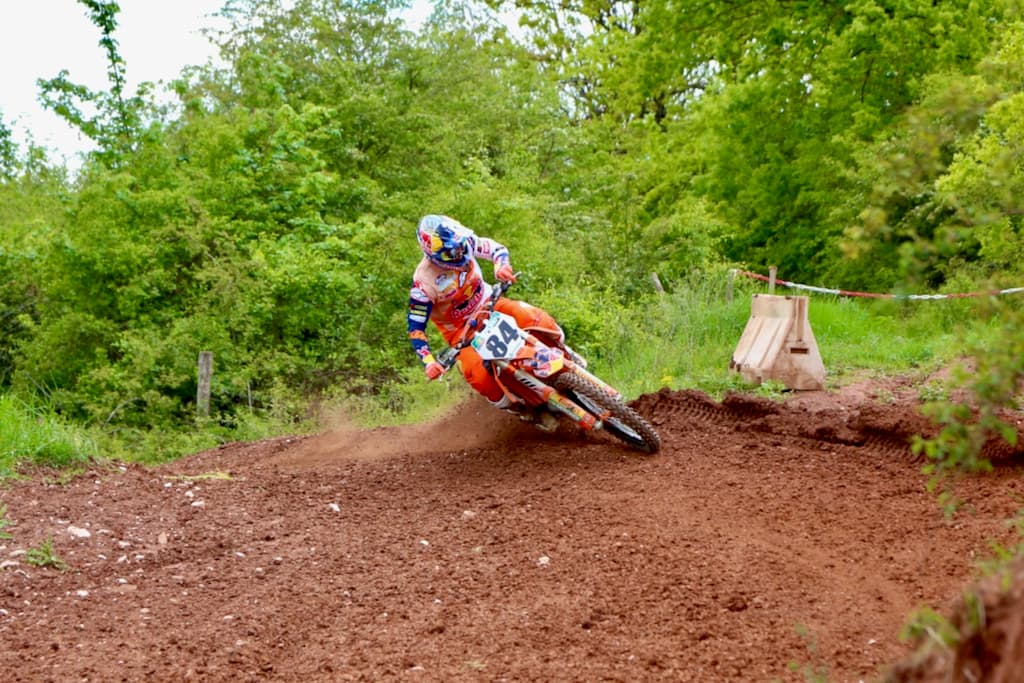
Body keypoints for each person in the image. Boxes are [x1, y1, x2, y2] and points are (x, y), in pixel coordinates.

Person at [407, 214, 582, 430]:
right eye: (452, 251)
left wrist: (501, 266)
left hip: (491, 304)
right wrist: (429, 362)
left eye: (460, 246)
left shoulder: (466, 243)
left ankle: (565, 352)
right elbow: (415, 329)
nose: (460, 252)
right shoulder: (423, 285)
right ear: (434, 254)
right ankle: (522, 409)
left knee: (532, 317)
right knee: (477, 375)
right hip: (462, 333)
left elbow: (496, 249)